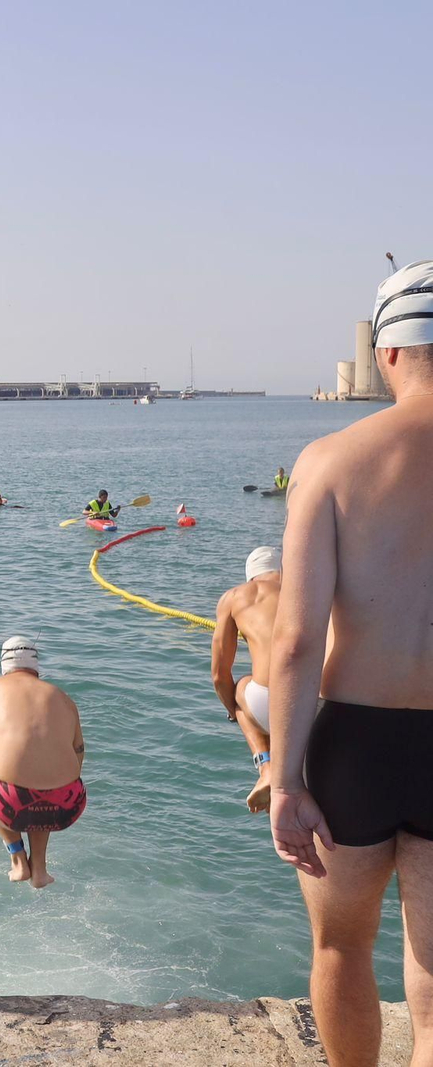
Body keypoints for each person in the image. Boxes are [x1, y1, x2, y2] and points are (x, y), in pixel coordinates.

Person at [264, 260, 433, 1066]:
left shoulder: (331, 461)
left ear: (389, 352)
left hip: (354, 743)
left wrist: (287, 776)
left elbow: (295, 637)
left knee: (342, 950)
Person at [0, 637, 84, 889]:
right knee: (43, 770)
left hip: (9, 804)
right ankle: (40, 869)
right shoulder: (64, 698)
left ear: (4, 666)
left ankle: (18, 860)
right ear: (36, 668)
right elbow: (78, 756)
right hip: (70, 804)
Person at [211, 547, 282, 813]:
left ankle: (266, 767)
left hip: (267, 705)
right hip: (326, 704)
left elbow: (219, 676)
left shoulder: (235, 596)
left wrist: (235, 713)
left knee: (240, 689)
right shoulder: (310, 586)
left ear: (251, 577)